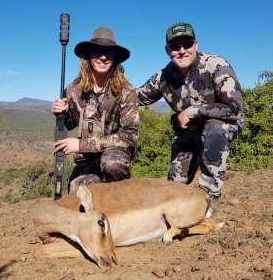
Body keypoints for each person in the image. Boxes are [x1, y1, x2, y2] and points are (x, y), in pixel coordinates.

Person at [136, 22, 244, 215]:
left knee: (214, 129)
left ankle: (209, 201)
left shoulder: (216, 65)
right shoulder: (163, 77)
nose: (182, 51)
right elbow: (133, 98)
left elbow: (235, 108)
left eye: (187, 44)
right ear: (168, 50)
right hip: (188, 134)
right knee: (174, 190)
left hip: (222, 127)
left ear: (196, 45)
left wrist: (193, 111)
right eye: (176, 47)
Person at [53, 27, 139, 192]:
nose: (103, 57)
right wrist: (60, 113)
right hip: (86, 158)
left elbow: (130, 136)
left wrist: (81, 144)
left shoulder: (126, 91)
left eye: (109, 53)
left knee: (113, 166)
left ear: (115, 59)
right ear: (88, 56)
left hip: (115, 153)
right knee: (77, 193)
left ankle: (118, 202)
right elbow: (70, 124)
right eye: (97, 51)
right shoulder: (73, 89)